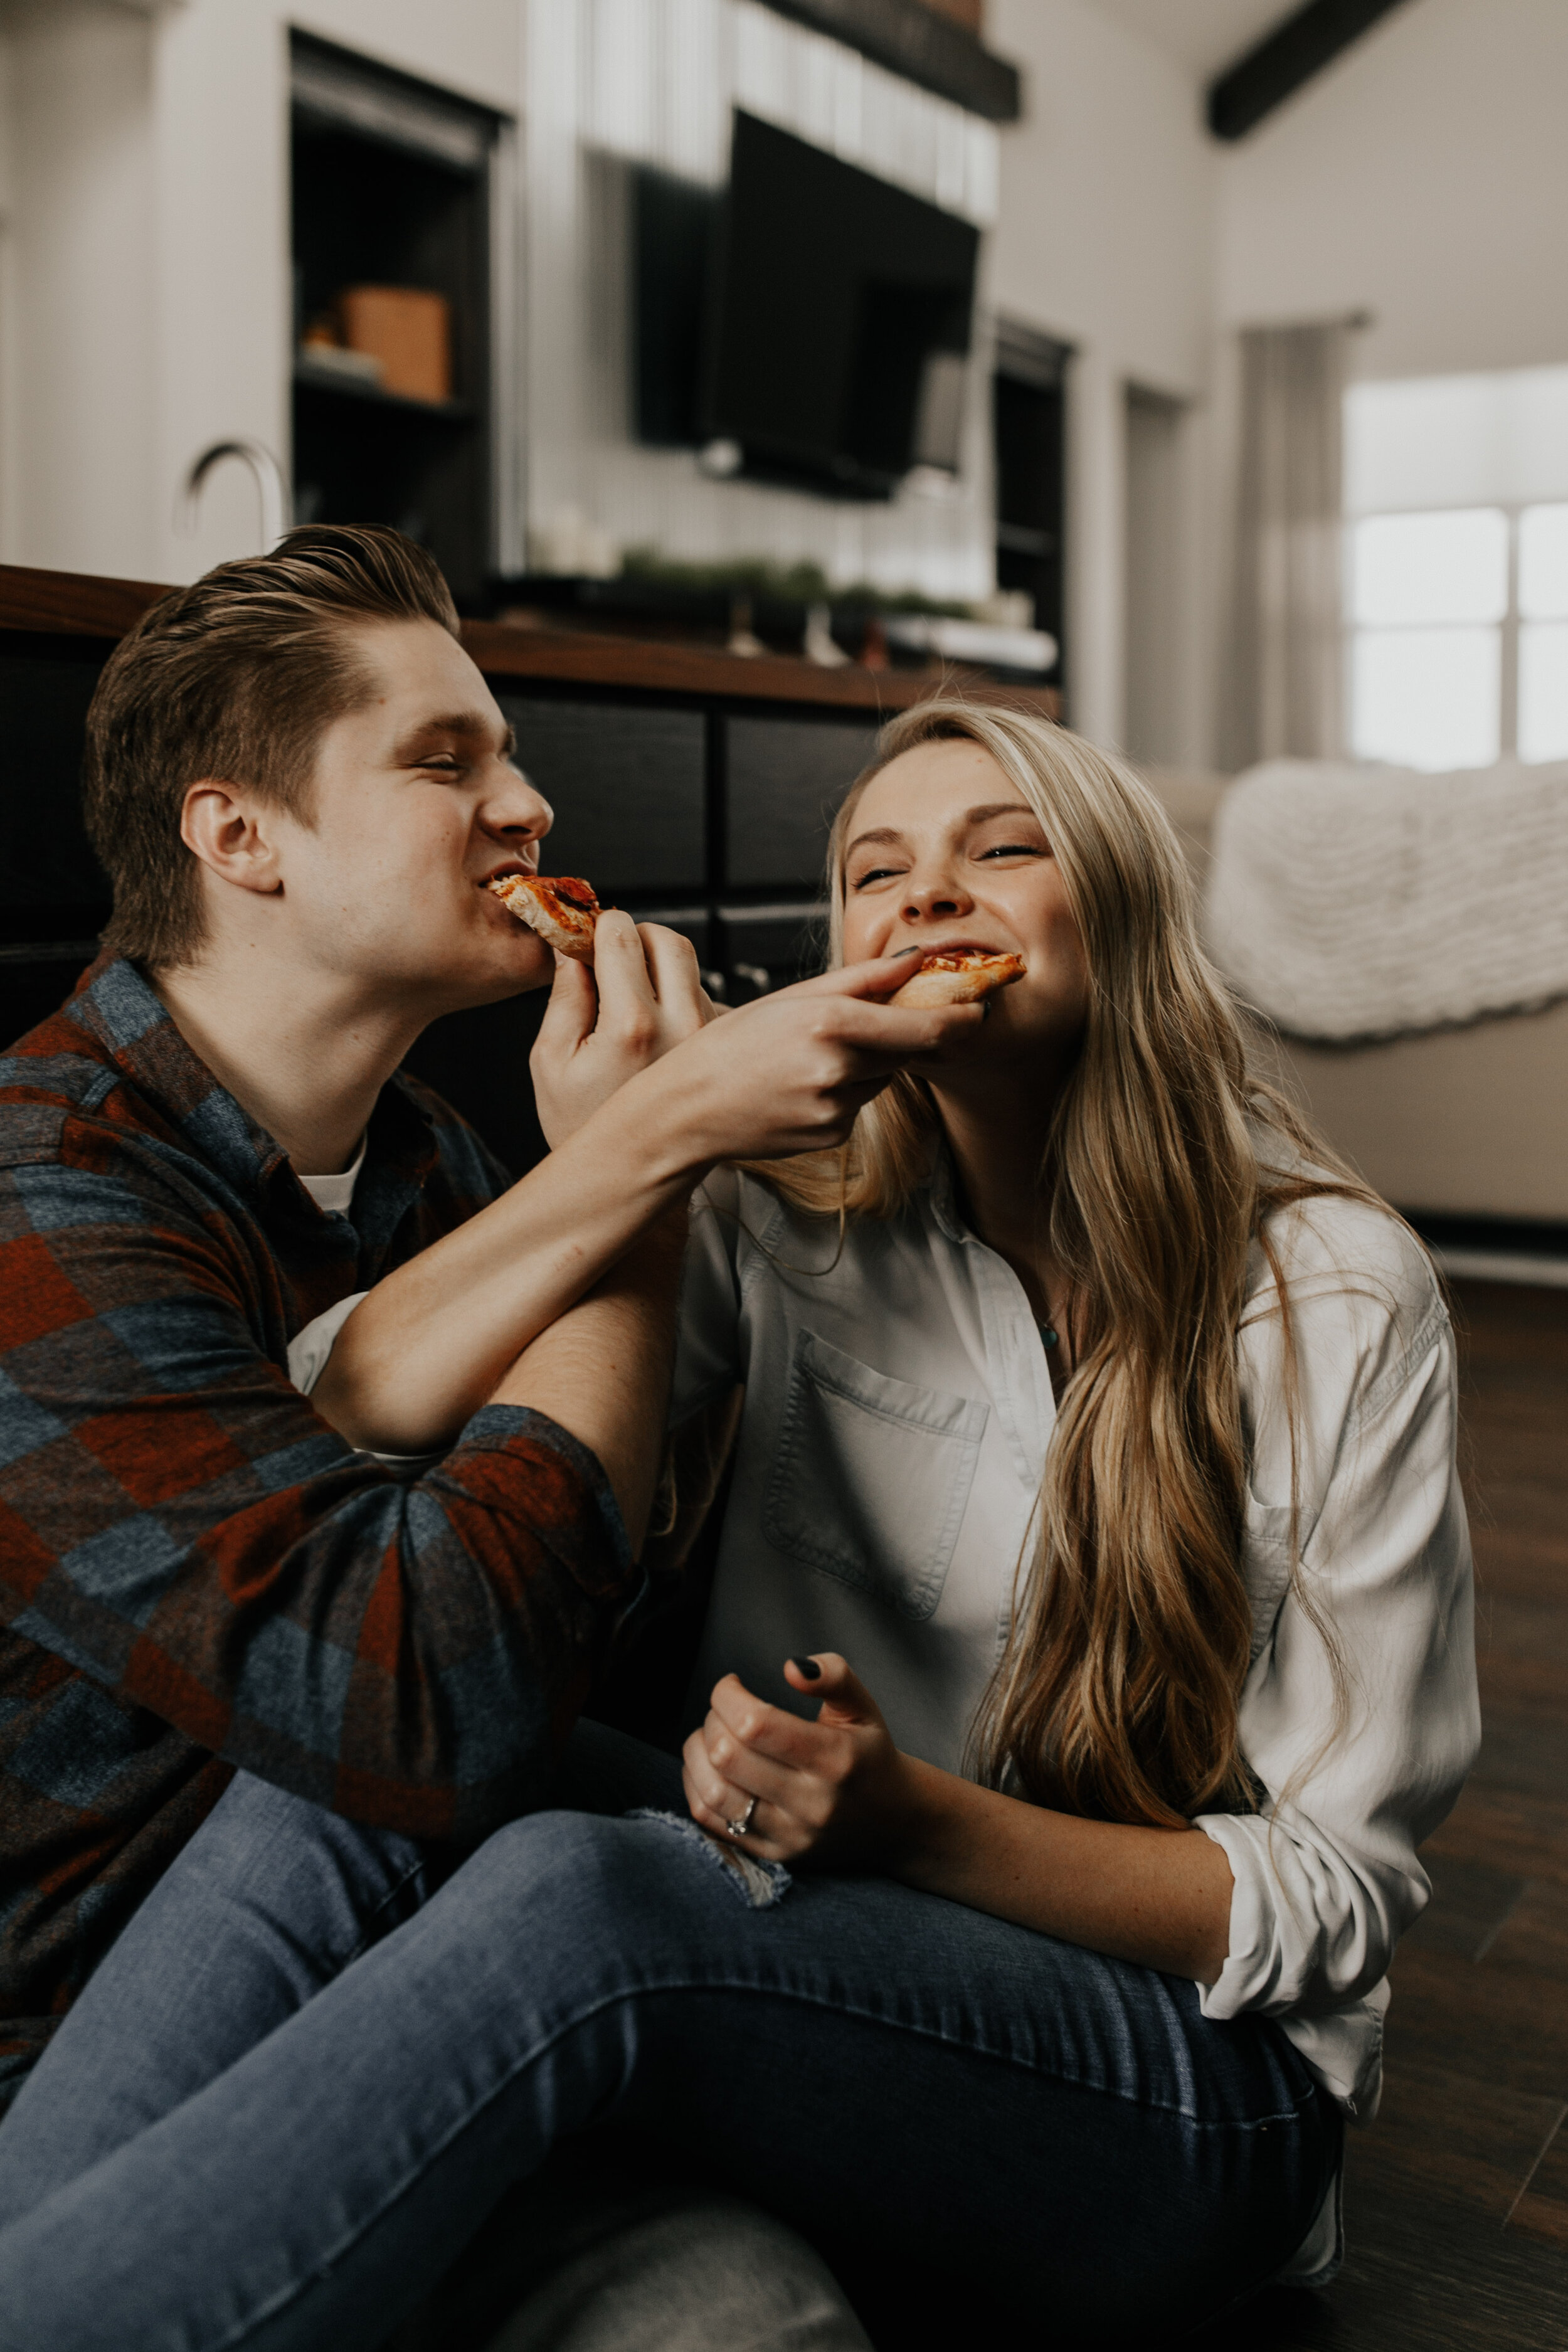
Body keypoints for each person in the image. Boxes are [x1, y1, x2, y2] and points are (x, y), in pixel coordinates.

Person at [0, 698, 1479, 2346]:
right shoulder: (791, 1223)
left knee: (584, 1899)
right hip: (808, 1940)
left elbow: (1336, 1898)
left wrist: (903, 1821)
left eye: (1000, 848)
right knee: (381, 1766)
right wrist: (647, 1141)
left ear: (1124, 906)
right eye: (874, 870)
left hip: (1185, 2090)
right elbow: (340, 1393)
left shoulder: (1332, 1290)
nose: (925, 895)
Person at [0, 530, 980, 2348]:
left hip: (432, 1992)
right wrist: (649, 1162)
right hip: (78, 2054)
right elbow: (432, 1698)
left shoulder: (437, 1170)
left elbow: (599, 1606)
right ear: (240, 839)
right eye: (444, 761)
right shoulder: (42, 1201)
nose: (526, 806)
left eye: (507, 753)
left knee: (755, 2325)